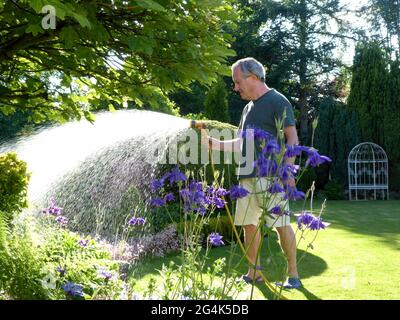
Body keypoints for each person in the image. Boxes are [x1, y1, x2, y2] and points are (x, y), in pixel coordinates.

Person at [201, 57, 302, 289]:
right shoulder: (247, 108)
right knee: (248, 224)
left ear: (253, 78)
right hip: (246, 174)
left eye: (238, 82)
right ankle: (253, 272)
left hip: (271, 176)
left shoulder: (278, 101)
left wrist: (288, 169)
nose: (235, 88)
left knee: (281, 223)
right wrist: (216, 144)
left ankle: (293, 274)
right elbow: (242, 142)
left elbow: (292, 137)